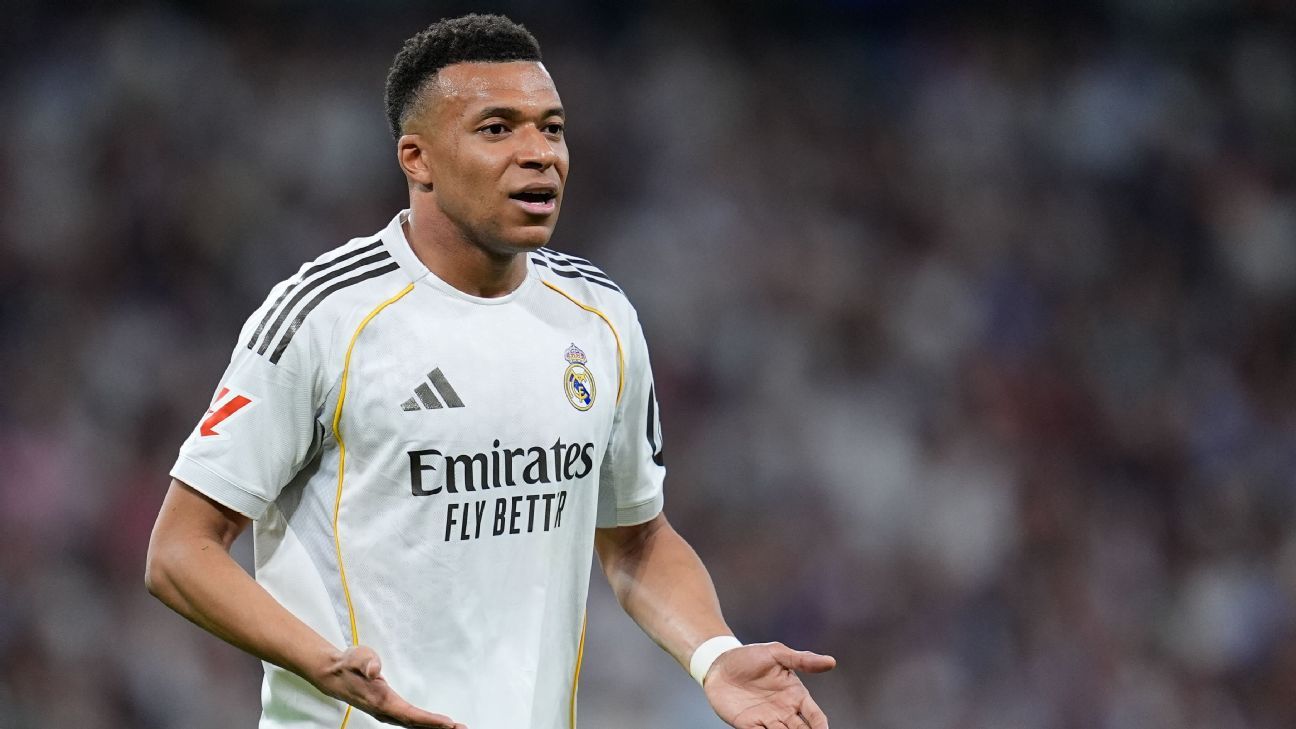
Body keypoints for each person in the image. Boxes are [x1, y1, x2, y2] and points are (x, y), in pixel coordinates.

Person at [144, 13, 834, 729]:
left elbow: (635, 537)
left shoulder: (598, 315)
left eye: (552, 128)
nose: (539, 154)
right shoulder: (325, 316)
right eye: (497, 128)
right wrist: (320, 661)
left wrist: (714, 654)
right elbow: (179, 551)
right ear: (418, 158)